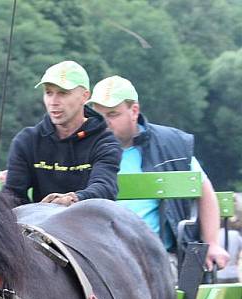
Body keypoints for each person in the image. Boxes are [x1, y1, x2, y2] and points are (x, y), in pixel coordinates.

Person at [89, 76, 229, 270]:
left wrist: (212, 243)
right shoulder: (83, 149)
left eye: (113, 114)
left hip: (157, 258)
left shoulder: (171, 145)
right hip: (99, 258)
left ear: (134, 111)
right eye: (99, 116)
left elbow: (205, 192)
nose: (105, 123)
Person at [4, 60, 121, 207]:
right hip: (39, 225)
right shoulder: (27, 140)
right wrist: (39, 209)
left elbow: (105, 187)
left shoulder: (105, 141)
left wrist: (73, 199)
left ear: (85, 96)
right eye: (48, 93)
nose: (53, 101)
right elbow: (13, 194)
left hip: (89, 220)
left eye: (63, 93)